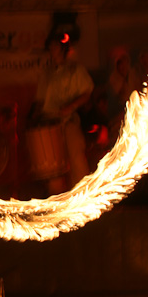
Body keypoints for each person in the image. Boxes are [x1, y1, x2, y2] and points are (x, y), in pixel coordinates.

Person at [31, 33, 94, 194]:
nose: (52, 49)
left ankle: (82, 196)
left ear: (62, 48)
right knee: (53, 168)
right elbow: (40, 100)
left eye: (55, 46)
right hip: (48, 123)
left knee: (77, 161)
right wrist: (34, 119)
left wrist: (71, 106)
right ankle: (58, 200)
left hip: (68, 120)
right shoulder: (47, 73)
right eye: (50, 46)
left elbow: (87, 92)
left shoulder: (75, 69)